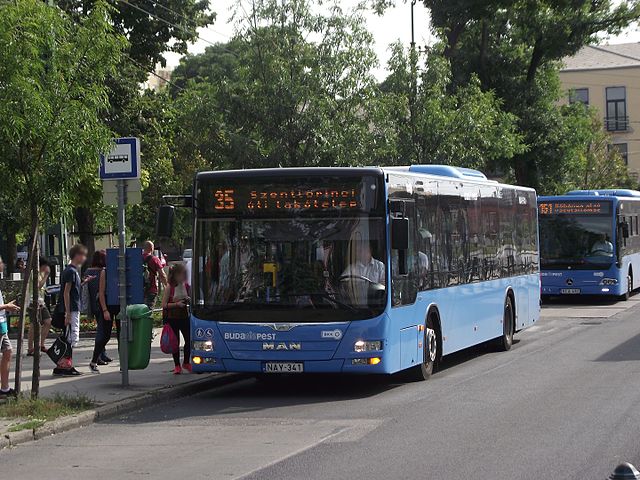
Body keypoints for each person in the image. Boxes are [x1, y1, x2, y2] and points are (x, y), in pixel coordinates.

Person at [53, 244, 93, 376]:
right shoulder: (71, 271)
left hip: (73, 307)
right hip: (71, 309)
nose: (84, 258)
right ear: (77, 256)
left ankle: (63, 365)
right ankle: (65, 366)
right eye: (83, 255)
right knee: (71, 338)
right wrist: (68, 313)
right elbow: (66, 292)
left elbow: (72, 290)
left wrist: (83, 283)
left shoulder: (71, 271)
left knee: (68, 337)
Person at [87, 250, 120, 373]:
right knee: (105, 335)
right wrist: (105, 310)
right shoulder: (104, 272)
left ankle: (123, 363)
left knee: (122, 335)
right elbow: (101, 293)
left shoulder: (123, 270)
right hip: (107, 305)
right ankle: (94, 361)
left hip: (119, 304)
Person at [161, 263, 191, 374]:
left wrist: (188, 299)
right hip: (172, 317)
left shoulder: (186, 285)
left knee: (188, 339)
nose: (184, 276)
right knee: (175, 341)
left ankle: (186, 362)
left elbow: (190, 297)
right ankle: (177, 365)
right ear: (176, 275)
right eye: (182, 274)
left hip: (183, 315)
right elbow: (164, 305)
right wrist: (176, 304)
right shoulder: (170, 287)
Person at [0, 255, 20, 397]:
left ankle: (4, 388)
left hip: (2, 323)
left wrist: (5, 307)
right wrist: (6, 306)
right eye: (1, 262)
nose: (3, 264)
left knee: (8, 352)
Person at [27, 257, 51, 356]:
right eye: (45, 266)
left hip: (41, 302)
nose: (46, 268)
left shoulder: (41, 273)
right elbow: (38, 286)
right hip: (34, 302)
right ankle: (30, 348)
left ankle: (41, 344)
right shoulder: (34, 273)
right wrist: (46, 275)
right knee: (34, 325)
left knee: (48, 321)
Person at [143, 240, 167, 309]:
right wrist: (167, 286)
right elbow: (162, 275)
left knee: (139, 312)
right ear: (151, 248)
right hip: (151, 290)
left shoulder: (138, 259)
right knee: (148, 312)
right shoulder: (154, 259)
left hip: (139, 291)